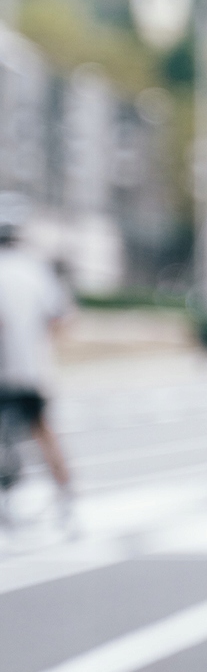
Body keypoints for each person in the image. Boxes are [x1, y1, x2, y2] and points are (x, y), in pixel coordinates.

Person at [0, 193, 74, 518]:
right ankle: (67, 498)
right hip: (31, 371)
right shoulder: (36, 270)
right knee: (43, 431)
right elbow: (59, 319)